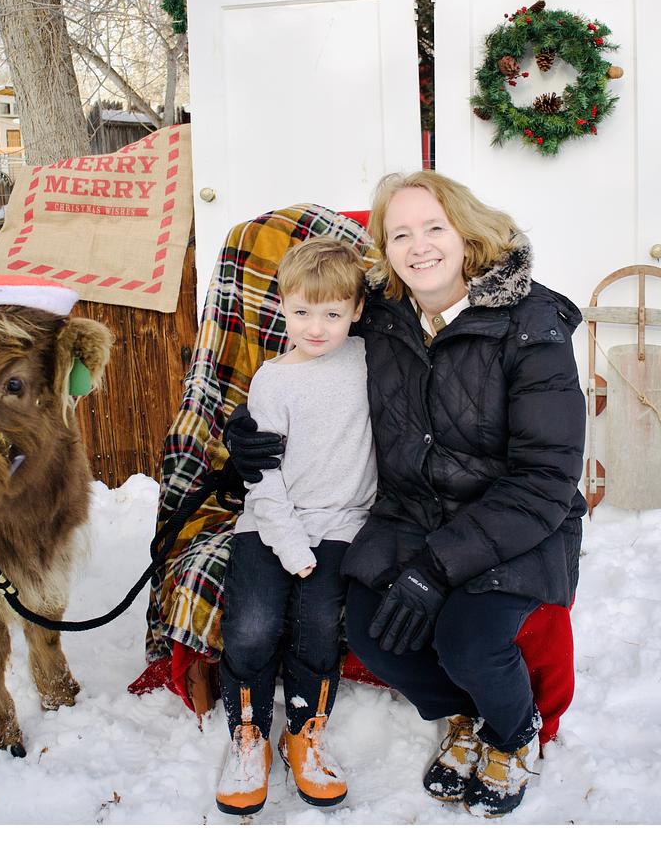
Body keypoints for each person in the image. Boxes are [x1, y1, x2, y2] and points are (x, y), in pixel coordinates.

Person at [225, 171, 586, 818]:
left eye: (434, 228)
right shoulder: (383, 319)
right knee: (374, 634)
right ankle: (465, 716)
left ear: (466, 232)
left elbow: (546, 479)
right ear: (384, 250)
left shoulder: (533, 326)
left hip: (514, 522)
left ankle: (513, 733)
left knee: (468, 640)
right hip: (415, 515)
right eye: (400, 234)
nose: (419, 246)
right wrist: (246, 428)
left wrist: (435, 570)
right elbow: (313, 363)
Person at [215, 236, 377, 816]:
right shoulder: (273, 381)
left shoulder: (368, 359)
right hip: (271, 521)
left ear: (357, 310)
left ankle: (305, 732)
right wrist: (286, 544)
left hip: (341, 522)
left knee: (317, 626)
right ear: (282, 304)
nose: (316, 328)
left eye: (333, 314)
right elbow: (262, 476)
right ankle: (250, 733)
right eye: (303, 312)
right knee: (252, 626)